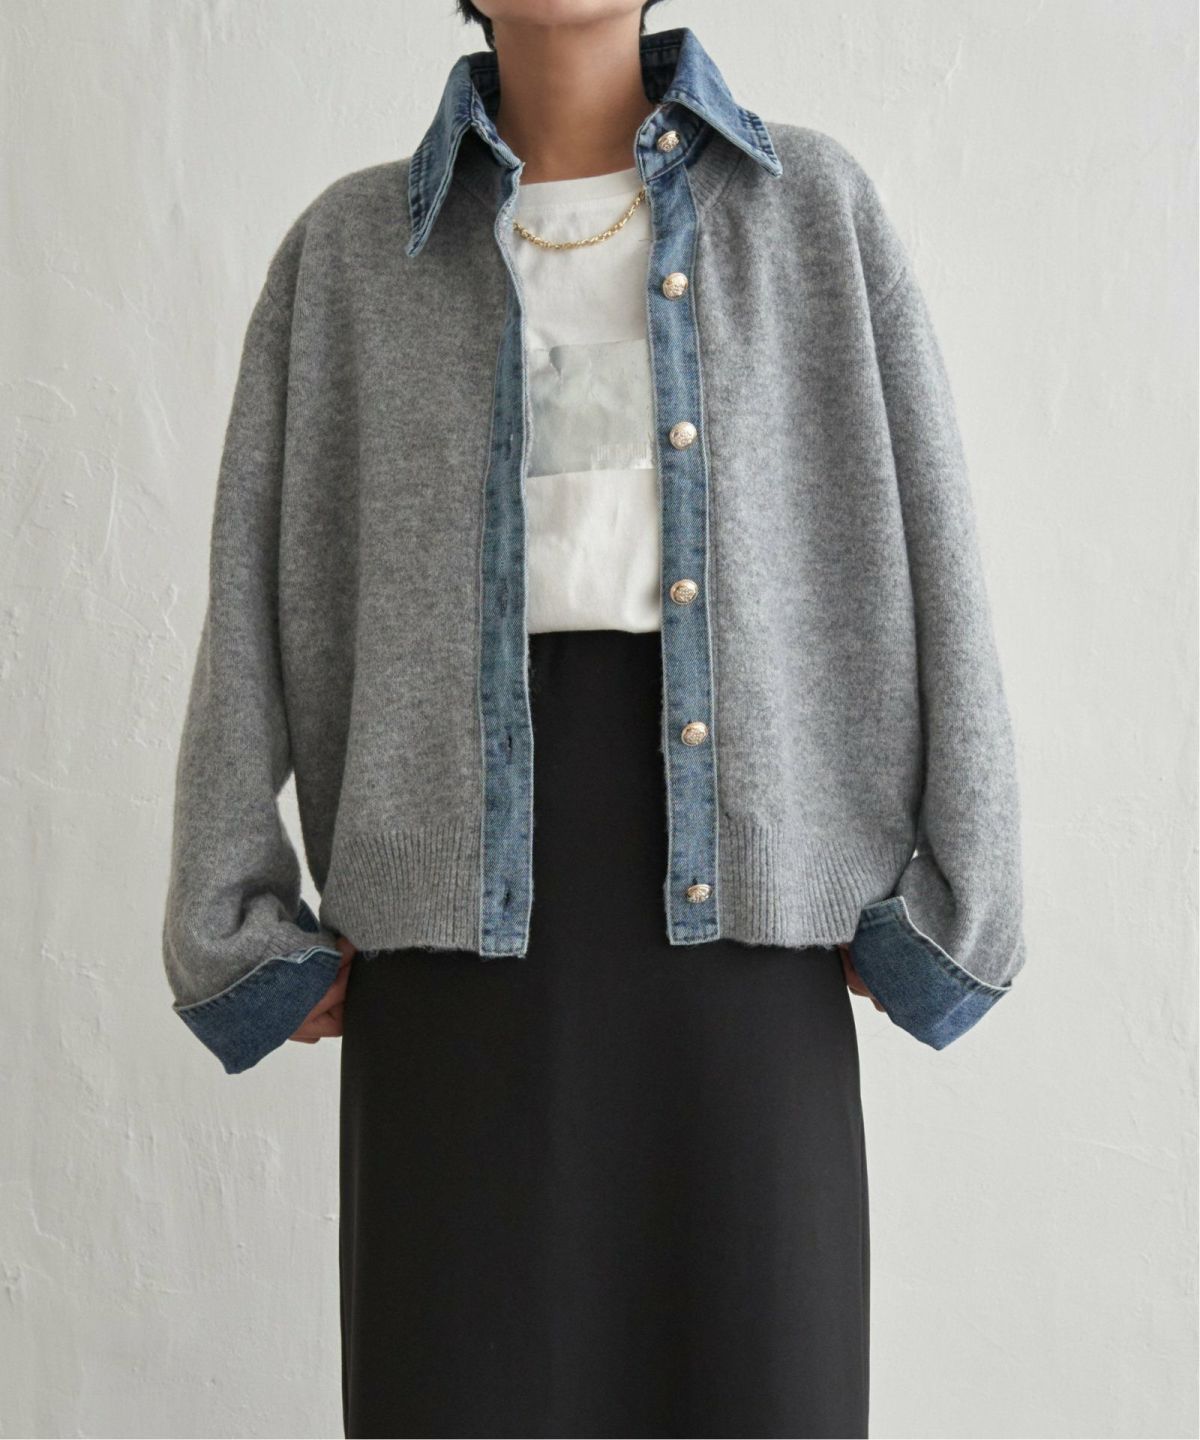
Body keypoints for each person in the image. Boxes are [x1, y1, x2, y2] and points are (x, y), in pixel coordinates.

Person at [162, 3, 1028, 1436]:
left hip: (750, 944)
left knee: (760, 1388)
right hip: (451, 967)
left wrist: (957, 905)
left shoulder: (812, 213)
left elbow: (939, 549)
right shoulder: (347, 256)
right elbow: (250, 591)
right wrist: (233, 922)